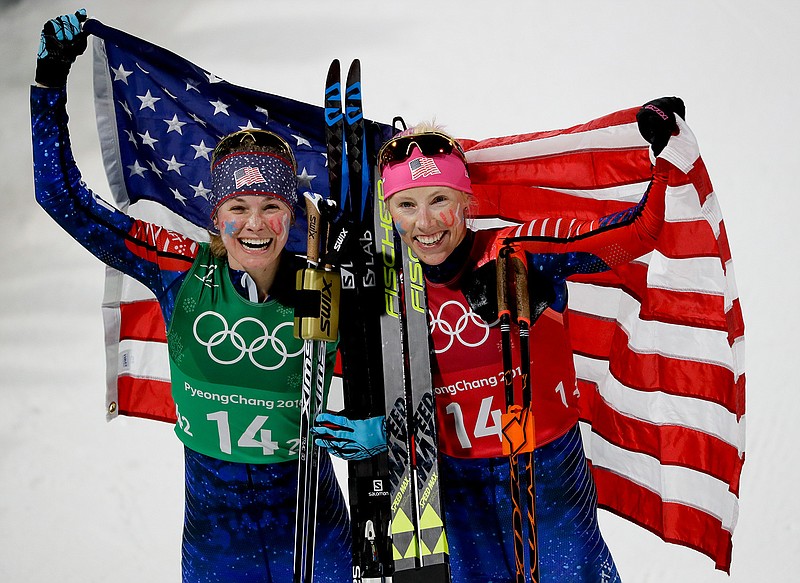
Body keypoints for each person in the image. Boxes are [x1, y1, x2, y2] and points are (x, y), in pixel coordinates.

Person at [315, 98, 697, 581]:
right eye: (407, 205)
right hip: (454, 484)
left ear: (466, 202)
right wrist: (381, 434)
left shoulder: (518, 253)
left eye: (440, 201)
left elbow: (639, 233)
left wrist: (667, 154)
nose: (426, 223)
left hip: (546, 471)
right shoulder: (388, 290)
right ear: (389, 213)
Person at [31, 11, 350, 582]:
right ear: (215, 218)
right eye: (238, 209)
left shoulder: (320, 281)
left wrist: (374, 428)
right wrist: (49, 88)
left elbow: (409, 357)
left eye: (272, 207)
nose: (256, 224)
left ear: (292, 216)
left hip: (314, 531)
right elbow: (61, 197)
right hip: (217, 543)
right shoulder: (179, 270)